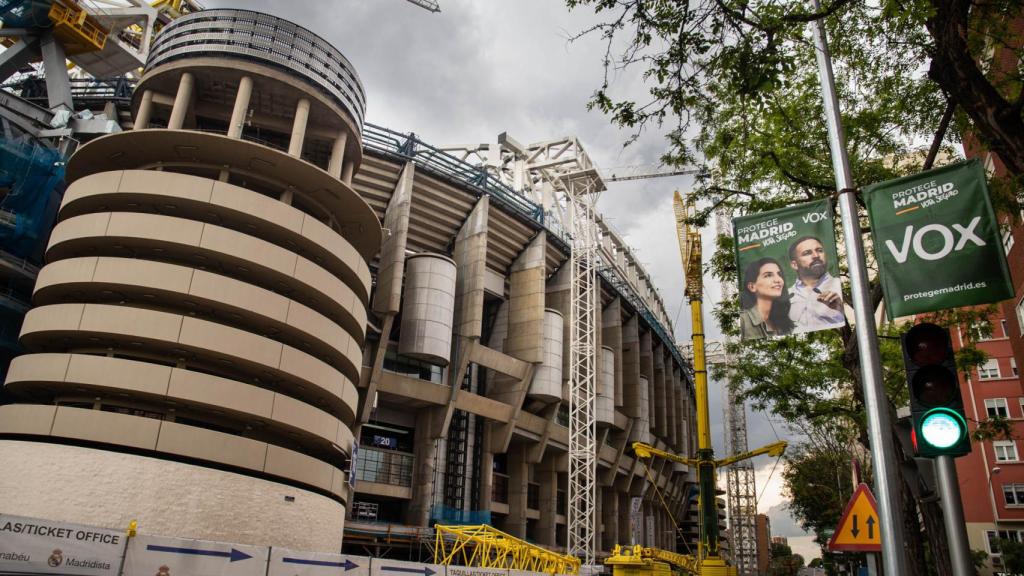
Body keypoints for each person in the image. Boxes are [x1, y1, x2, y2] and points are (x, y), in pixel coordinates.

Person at [786, 235, 845, 332]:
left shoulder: (840, 285)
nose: (816, 256)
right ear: (794, 264)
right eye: (807, 253)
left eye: (819, 250)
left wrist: (840, 309)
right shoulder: (784, 297)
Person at [739, 257, 794, 340]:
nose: (778, 280)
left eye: (779, 274)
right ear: (752, 286)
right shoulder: (742, 321)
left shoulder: (784, 323)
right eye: (768, 275)